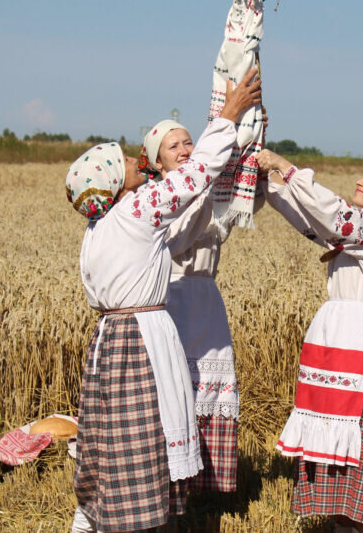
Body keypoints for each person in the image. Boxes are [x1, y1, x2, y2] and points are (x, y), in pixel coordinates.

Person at [66, 71, 260, 533]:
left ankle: (99, 515)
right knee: (148, 437)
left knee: (117, 438)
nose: (133, 162)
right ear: (114, 180)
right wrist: (229, 116)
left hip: (108, 341)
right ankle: (144, 519)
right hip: (142, 338)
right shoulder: (137, 209)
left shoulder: (97, 229)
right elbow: (197, 172)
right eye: (123, 161)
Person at [256, 149, 363, 533]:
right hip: (336, 338)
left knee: (359, 442)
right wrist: (268, 184)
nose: (360, 181)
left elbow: (334, 216)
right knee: (332, 441)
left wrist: (284, 167)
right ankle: (341, 525)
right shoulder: (358, 232)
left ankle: (362, 525)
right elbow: (312, 221)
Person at [136, 113, 267, 493]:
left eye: (188, 142)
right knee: (172, 386)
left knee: (209, 385)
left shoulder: (206, 189)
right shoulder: (156, 199)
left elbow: (239, 209)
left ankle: (203, 483)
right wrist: (208, 190)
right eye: (173, 146)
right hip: (170, 298)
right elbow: (175, 238)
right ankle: (165, 480)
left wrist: (250, 166)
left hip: (206, 301)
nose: (183, 150)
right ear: (156, 161)